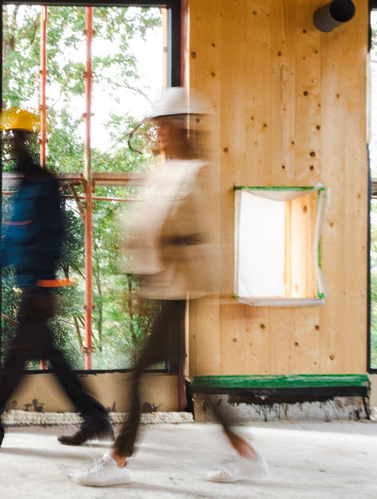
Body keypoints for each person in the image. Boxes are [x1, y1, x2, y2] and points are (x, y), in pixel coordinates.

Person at [72, 87, 268, 487]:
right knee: (201, 377)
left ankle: (119, 458)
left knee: (139, 374)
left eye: (166, 125)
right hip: (163, 287)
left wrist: (231, 292)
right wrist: (142, 281)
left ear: (186, 126)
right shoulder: (163, 172)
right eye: (157, 125)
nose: (159, 132)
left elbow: (209, 236)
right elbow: (148, 229)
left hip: (181, 287)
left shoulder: (196, 173)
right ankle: (245, 453)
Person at [0, 107, 113, 449]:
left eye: (13, 138)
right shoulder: (23, 182)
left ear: (26, 140)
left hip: (37, 287)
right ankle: (95, 418)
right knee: (47, 356)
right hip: (29, 284)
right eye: (4, 140)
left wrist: (43, 287)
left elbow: (53, 239)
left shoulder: (42, 183)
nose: (8, 146)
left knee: (16, 356)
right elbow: (13, 237)